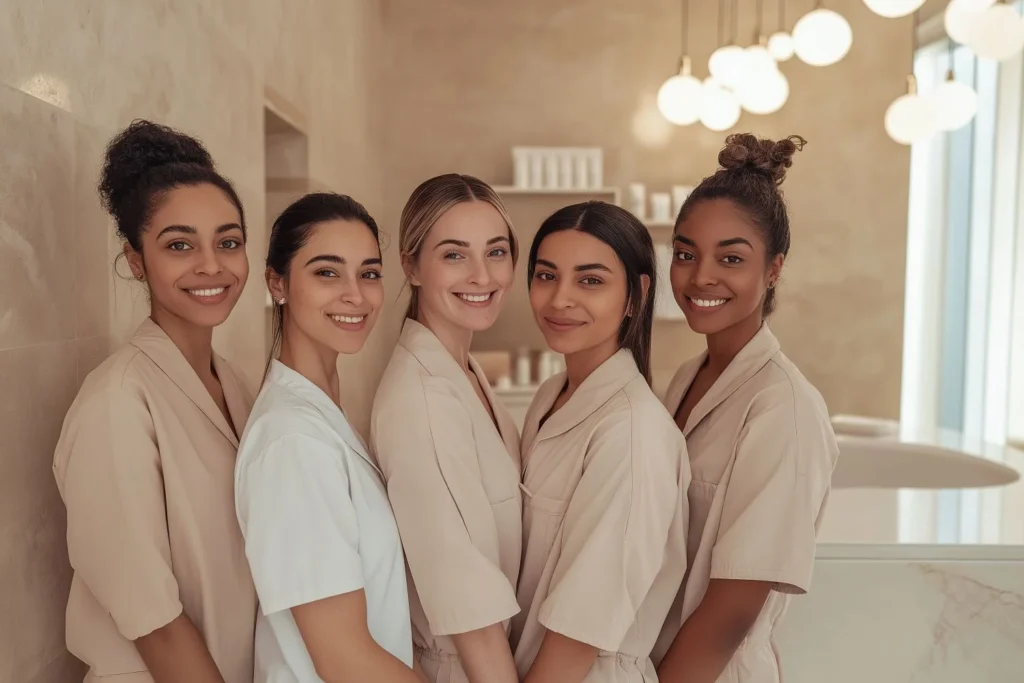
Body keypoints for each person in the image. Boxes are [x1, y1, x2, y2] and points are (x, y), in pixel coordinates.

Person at [52, 120, 257, 683]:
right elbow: (155, 626)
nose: (211, 265)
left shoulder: (237, 386)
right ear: (136, 259)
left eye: (229, 242)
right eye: (179, 245)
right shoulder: (116, 404)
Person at [653, 134, 839, 683]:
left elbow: (733, 609)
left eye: (730, 258)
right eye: (685, 254)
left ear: (775, 268)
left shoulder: (786, 409)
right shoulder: (687, 378)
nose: (700, 276)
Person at [233, 193, 419, 683]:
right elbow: (344, 661)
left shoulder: (322, 417)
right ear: (278, 283)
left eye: (370, 273)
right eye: (327, 272)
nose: (355, 294)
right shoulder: (294, 442)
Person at [511, 201, 690, 683]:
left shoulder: (633, 433)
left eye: (590, 280)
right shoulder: (551, 396)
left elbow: (581, 628)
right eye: (546, 276)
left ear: (637, 293)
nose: (559, 299)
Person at [372, 174, 523, 683]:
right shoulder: (423, 398)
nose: (482, 275)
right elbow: (471, 611)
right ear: (411, 266)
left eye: (496, 252)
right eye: (455, 255)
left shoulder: (463, 375)